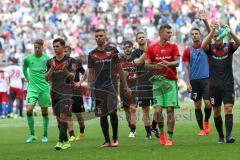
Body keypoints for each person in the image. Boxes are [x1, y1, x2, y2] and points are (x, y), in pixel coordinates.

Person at [88, 29, 131, 148]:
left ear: (105, 36)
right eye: (97, 36)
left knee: (112, 112)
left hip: (111, 86)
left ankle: (115, 138)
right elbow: (91, 72)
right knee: (102, 115)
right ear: (95, 38)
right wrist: (89, 88)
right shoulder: (91, 54)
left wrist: (126, 86)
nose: (99, 38)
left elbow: (120, 69)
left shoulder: (112, 51)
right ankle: (106, 141)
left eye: (101, 35)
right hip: (98, 88)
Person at [201, 22, 240, 143]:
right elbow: (203, 45)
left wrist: (230, 30)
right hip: (214, 86)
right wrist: (212, 32)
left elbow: (238, 42)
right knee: (216, 112)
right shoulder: (210, 49)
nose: (216, 39)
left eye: (218, 36)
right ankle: (221, 136)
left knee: (228, 108)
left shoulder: (228, 47)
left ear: (222, 36)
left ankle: (228, 136)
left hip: (228, 84)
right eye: (214, 37)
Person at [145, 24, 180, 146]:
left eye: (170, 33)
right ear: (160, 33)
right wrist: (156, 66)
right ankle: (162, 134)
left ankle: (170, 138)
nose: (170, 34)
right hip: (157, 82)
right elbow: (146, 64)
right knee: (158, 110)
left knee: (170, 110)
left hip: (170, 81)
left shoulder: (174, 46)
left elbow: (177, 62)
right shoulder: (152, 48)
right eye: (167, 32)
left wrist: (168, 63)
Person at [46, 38, 76, 150]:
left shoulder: (71, 61)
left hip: (66, 92)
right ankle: (66, 141)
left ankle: (59, 142)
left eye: (57, 46)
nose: (55, 48)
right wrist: (51, 69)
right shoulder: (50, 62)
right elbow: (46, 78)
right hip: (54, 93)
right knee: (59, 119)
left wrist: (65, 70)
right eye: (54, 46)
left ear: (63, 47)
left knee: (64, 116)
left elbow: (72, 76)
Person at [182, 26, 212, 136]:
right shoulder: (187, 50)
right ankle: (201, 129)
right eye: (193, 34)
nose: (195, 35)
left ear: (200, 35)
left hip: (206, 79)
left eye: (196, 33)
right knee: (197, 105)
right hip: (194, 81)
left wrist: (206, 23)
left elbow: (211, 34)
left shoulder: (206, 47)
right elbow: (185, 67)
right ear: (191, 36)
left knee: (208, 104)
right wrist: (188, 83)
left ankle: (206, 121)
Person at [131, 31, 159, 140]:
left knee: (158, 108)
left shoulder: (153, 50)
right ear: (137, 40)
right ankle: (148, 133)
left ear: (146, 38)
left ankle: (153, 127)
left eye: (143, 37)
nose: (141, 39)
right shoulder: (135, 53)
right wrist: (145, 53)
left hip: (154, 83)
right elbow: (137, 63)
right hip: (142, 84)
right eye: (139, 38)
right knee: (145, 109)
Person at [22, 39, 51, 143]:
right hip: (32, 88)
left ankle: (45, 135)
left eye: (39, 47)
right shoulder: (28, 59)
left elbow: (51, 71)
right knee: (29, 110)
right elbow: (24, 68)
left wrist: (49, 79)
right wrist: (28, 78)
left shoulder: (47, 59)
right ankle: (32, 134)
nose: (37, 49)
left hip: (44, 88)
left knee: (44, 112)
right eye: (35, 47)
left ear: (42, 47)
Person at [63, 45, 86, 142]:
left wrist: (79, 83)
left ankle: (81, 132)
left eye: (66, 51)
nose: (65, 53)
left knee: (78, 115)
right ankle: (71, 134)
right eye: (63, 51)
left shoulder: (76, 62)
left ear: (70, 51)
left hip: (76, 92)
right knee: (68, 114)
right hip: (65, 92)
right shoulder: (58, 63)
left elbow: (85, 73)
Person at [120, 40, 138, 138]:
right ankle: (131, 126)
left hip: (134, 86)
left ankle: (132, 130)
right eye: (125, 47)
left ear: (132, 48)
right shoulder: (120, 60)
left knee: (132, 108)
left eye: (129, 47)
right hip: (123, 87)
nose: (127, 49)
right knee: (126, 110)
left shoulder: (135, 59)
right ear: (123, 49)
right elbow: (116, 74)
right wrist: (122, 74)